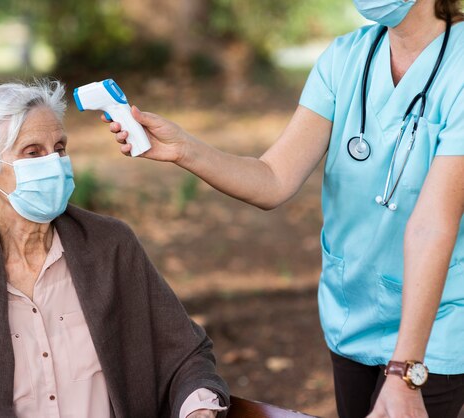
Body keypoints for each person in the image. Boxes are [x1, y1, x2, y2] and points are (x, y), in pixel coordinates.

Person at [105, 1, 464, 417]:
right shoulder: (344, 59)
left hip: (434, 326)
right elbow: (274, 178)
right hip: (352, 316)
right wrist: (185, 149)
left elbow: (433, 224)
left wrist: (405, 369)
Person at [0, 80, 229, 418]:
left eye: (59, 148)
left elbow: (185, 354)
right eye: (33, 152)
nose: (54, 163)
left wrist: (198, 409)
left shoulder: (111, 246)